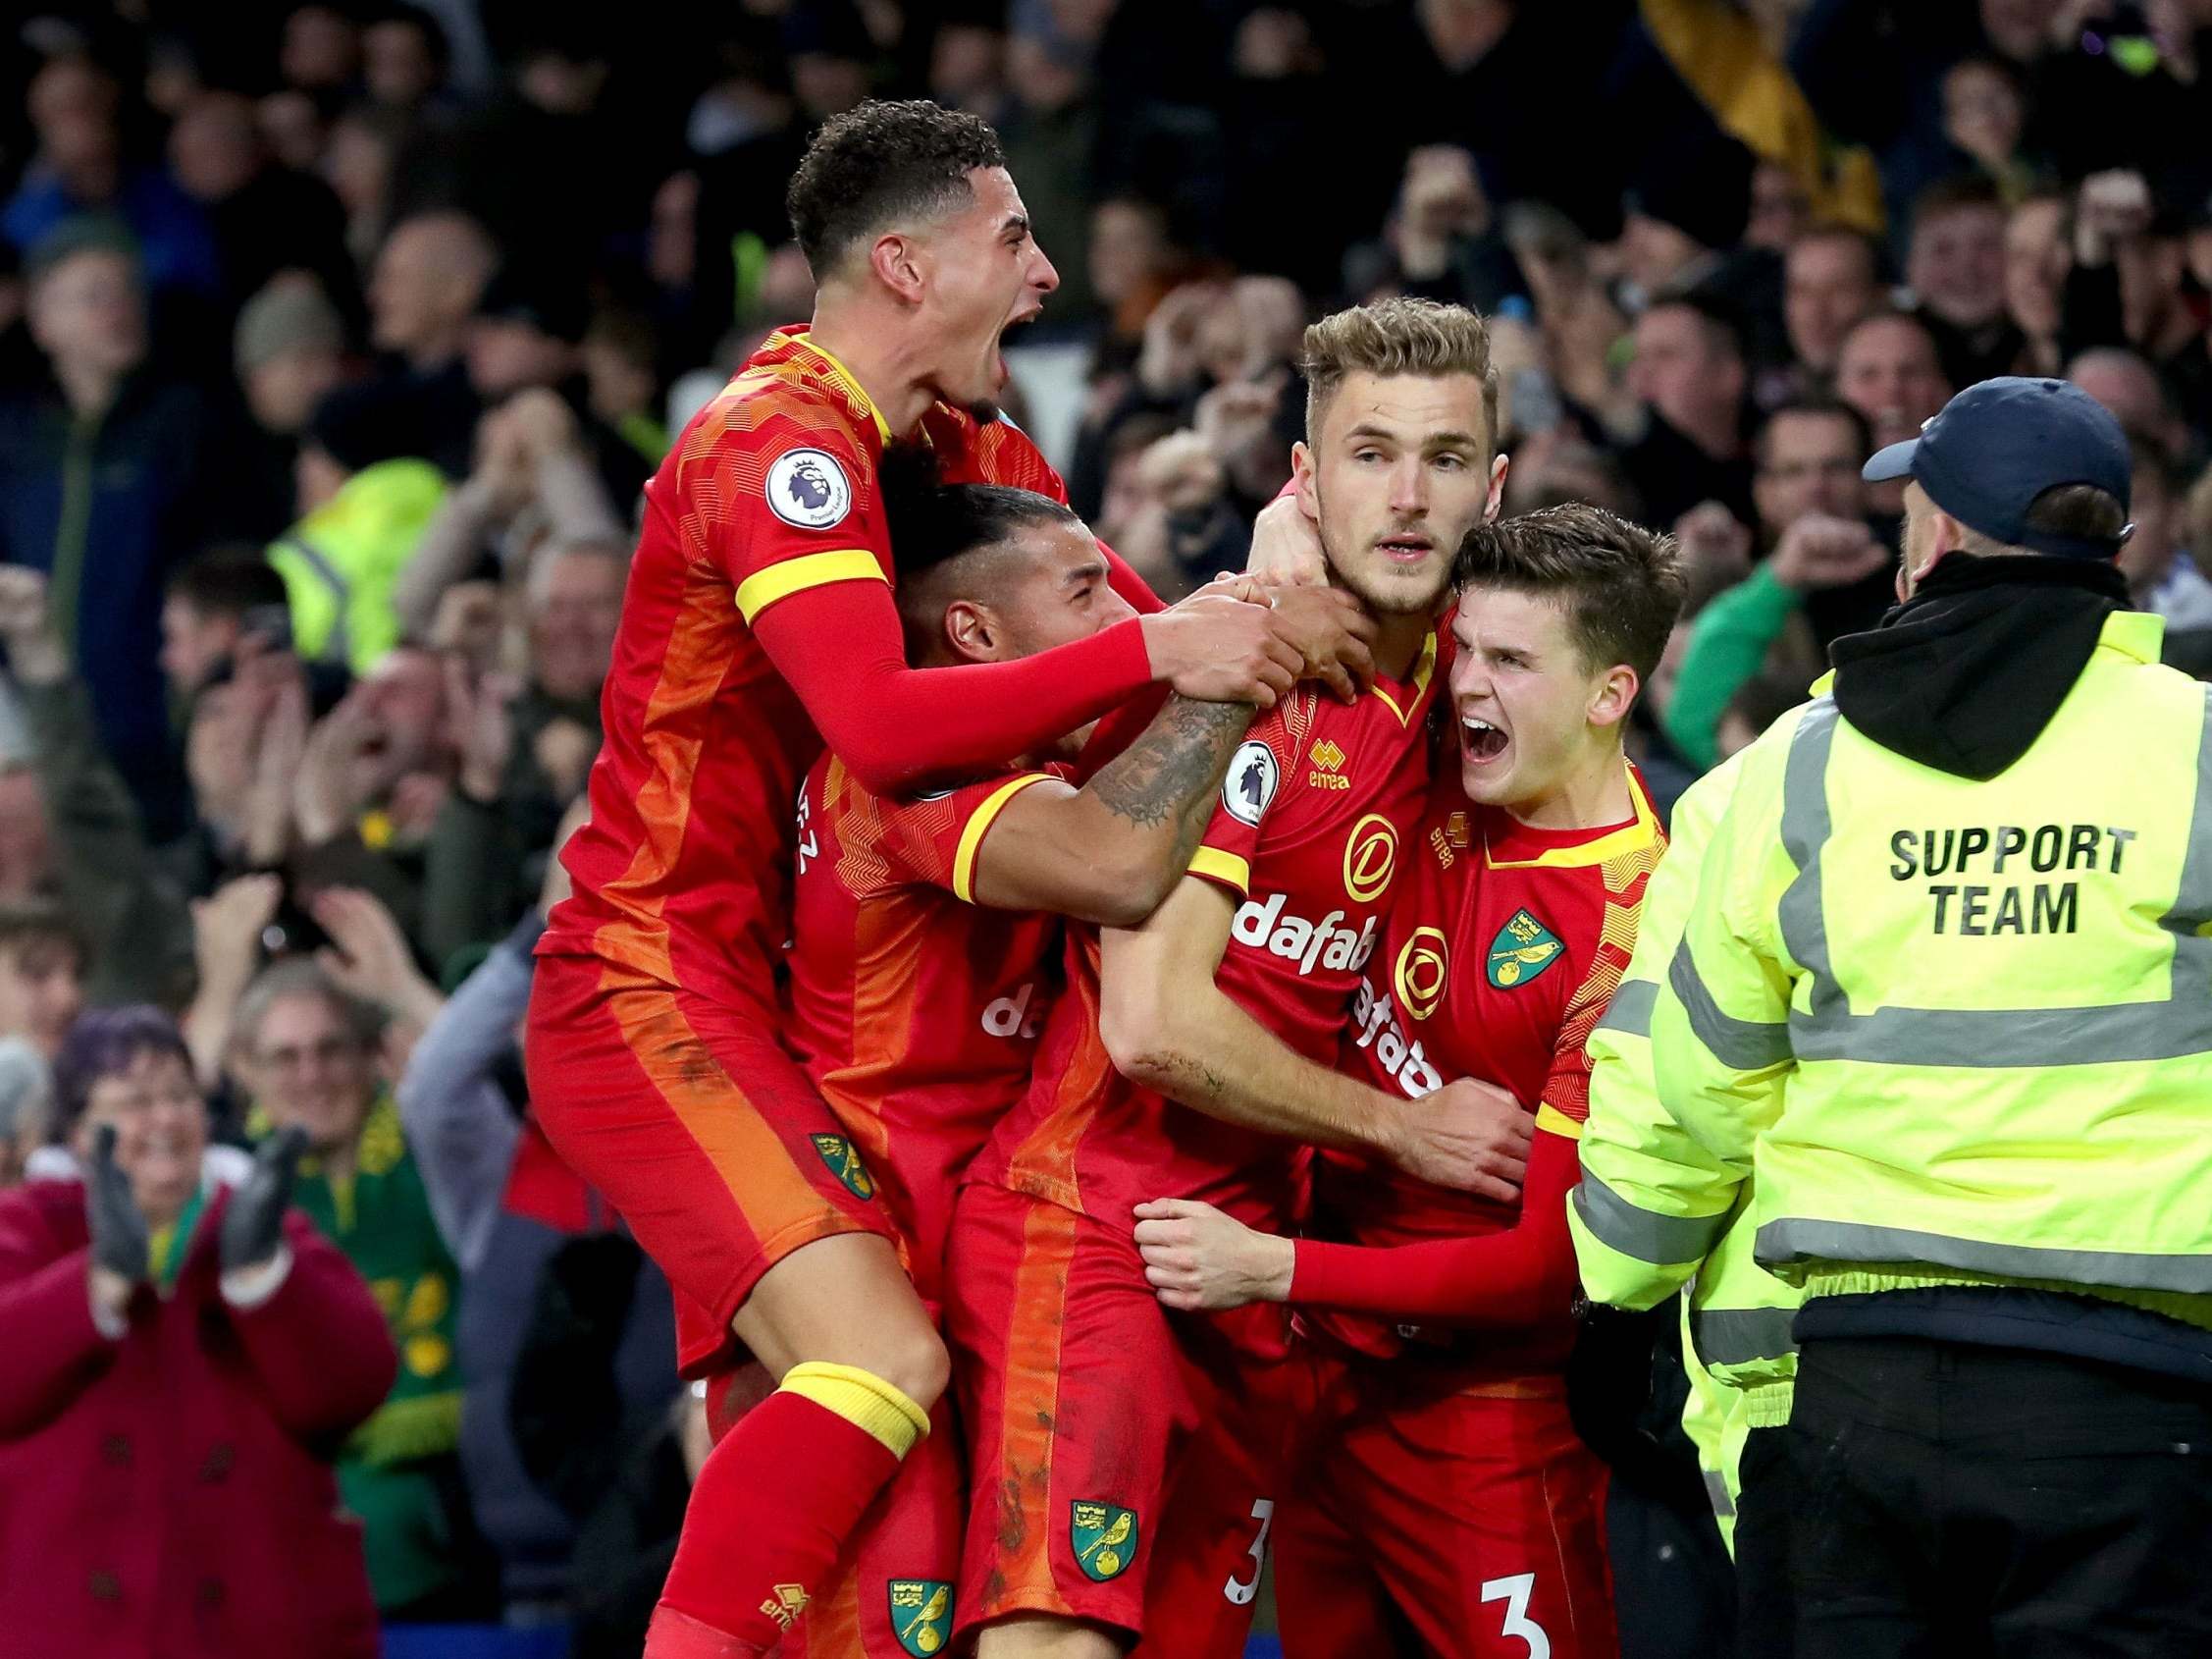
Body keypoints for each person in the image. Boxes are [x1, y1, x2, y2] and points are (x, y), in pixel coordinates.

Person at [524, 99, 1344, 1659]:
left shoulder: (965, 450)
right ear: (901, 266)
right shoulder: (774, 444)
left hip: (796, 1017)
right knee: (876, 1363)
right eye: (1013, 238)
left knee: (877, 1487)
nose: (1043, 277)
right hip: (650, 982)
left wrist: (1276, 598)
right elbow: (883, 724)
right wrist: (1181, 646)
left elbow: (1142, 656)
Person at [1571, 376, 2212, 1654]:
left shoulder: (1789, 773)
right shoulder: (2193, 749)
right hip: (2131, 1396)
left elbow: (1686, 1084)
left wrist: (1617, 1302)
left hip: (1855, 1391)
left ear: (1933, 537)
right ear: (2112, 549)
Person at [947, 296, 1527, 1659]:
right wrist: (1400, 1128)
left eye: (1444, 459)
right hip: (1091, 1226)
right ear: (1303, 478)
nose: (1404, 495)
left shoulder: (1465, 685)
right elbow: (1151, 1020)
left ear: (1491, 487)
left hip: (1249, 1271)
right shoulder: (1243, 684)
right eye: (1368, 453)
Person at [780, 479, 1339, 1654]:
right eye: (1089, 593)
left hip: (969, 1255)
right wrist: (1230, 646)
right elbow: (1117, 864)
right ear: (974, 634)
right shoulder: (904, 774)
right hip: (876, 1264)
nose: (1126, 618)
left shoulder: (1035, 746)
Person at [1132, 503, 1684, 1658]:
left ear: (1609, 695)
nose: (1467, 685)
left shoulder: (1633, 927)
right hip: (1324, 1385)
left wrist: (1275, 1269)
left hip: (1484, 1422)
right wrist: (1281, 546)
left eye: (1513, 662)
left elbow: (1546, 1268)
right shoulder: (1432, 758)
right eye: (1466, 646)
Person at [0, 1005, 395, 1659]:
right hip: (71, 1633)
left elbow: (354, 1388)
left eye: (179, 1095)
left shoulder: (260, 1225)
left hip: (267, 1631)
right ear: (74, 1133)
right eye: (131, 1102)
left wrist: (262, 1279)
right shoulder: (28, 1227)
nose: (163, 1120)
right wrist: (94, 1283)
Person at [233, 958, 486, 1622]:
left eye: (330, 1050)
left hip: (455, 1500)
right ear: (249, 1074)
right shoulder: (235, 1188)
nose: (311, 1076)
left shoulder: (432, 1150)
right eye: (284, 1058)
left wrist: (402, 985)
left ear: (369, 1055)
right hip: (295, 1509)